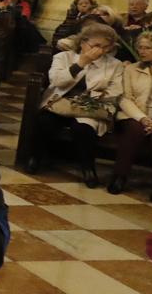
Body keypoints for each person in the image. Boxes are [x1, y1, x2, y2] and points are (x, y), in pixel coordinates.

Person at [25, 22, 123, 187]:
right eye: (96, 45)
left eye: (106, 47)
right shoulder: (63, 57)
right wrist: (81, 64)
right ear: (83, 42)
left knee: (83, 129)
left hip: (90, 108)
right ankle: (35, 158)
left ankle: (88, 169)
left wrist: (93, 98)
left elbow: (115, 91)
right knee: (45, 121)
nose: (101, 51)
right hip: (60, 102)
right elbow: (57, 81)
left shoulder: (115, 65)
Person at [110, 30, 152, 201]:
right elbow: (124, 98)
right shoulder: (131, 69)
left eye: (148, 48)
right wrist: (142, 118)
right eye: (140, 47)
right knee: (134, 130)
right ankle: (119, 176)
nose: (142, 51)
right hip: (135, 115)